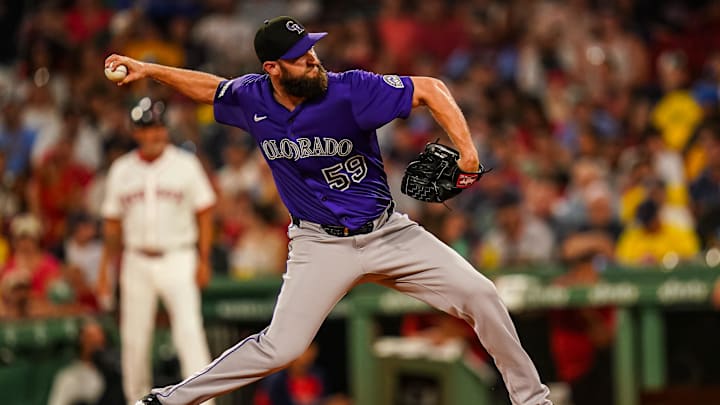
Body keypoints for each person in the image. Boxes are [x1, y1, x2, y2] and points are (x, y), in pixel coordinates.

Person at [105, 16, 552, 405]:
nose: (314, 59)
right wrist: (148, 70)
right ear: (272, 69)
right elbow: (211, 88)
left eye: (312, 49)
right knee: (280, 347)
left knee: (482, 295)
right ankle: (167, 402)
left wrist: (467, 154)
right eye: (301, 57)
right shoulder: (253, 97)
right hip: (319, 245)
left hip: (387, 233)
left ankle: (533, 401)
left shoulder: (350, 90)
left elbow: (431, 89)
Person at [96, 97, 217, 405]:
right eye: (146, 128)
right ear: (135, 132)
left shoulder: (185, 164)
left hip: (179, 256)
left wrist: (204, 260)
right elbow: (112, 226)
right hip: (136, 260)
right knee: (135, 340)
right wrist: (105, 271)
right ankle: (136, 400)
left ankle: (205, 402)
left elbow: (205, 213)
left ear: (165, 129)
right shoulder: (122, 170)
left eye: (157, 127)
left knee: (189, 334)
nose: (152, 134)